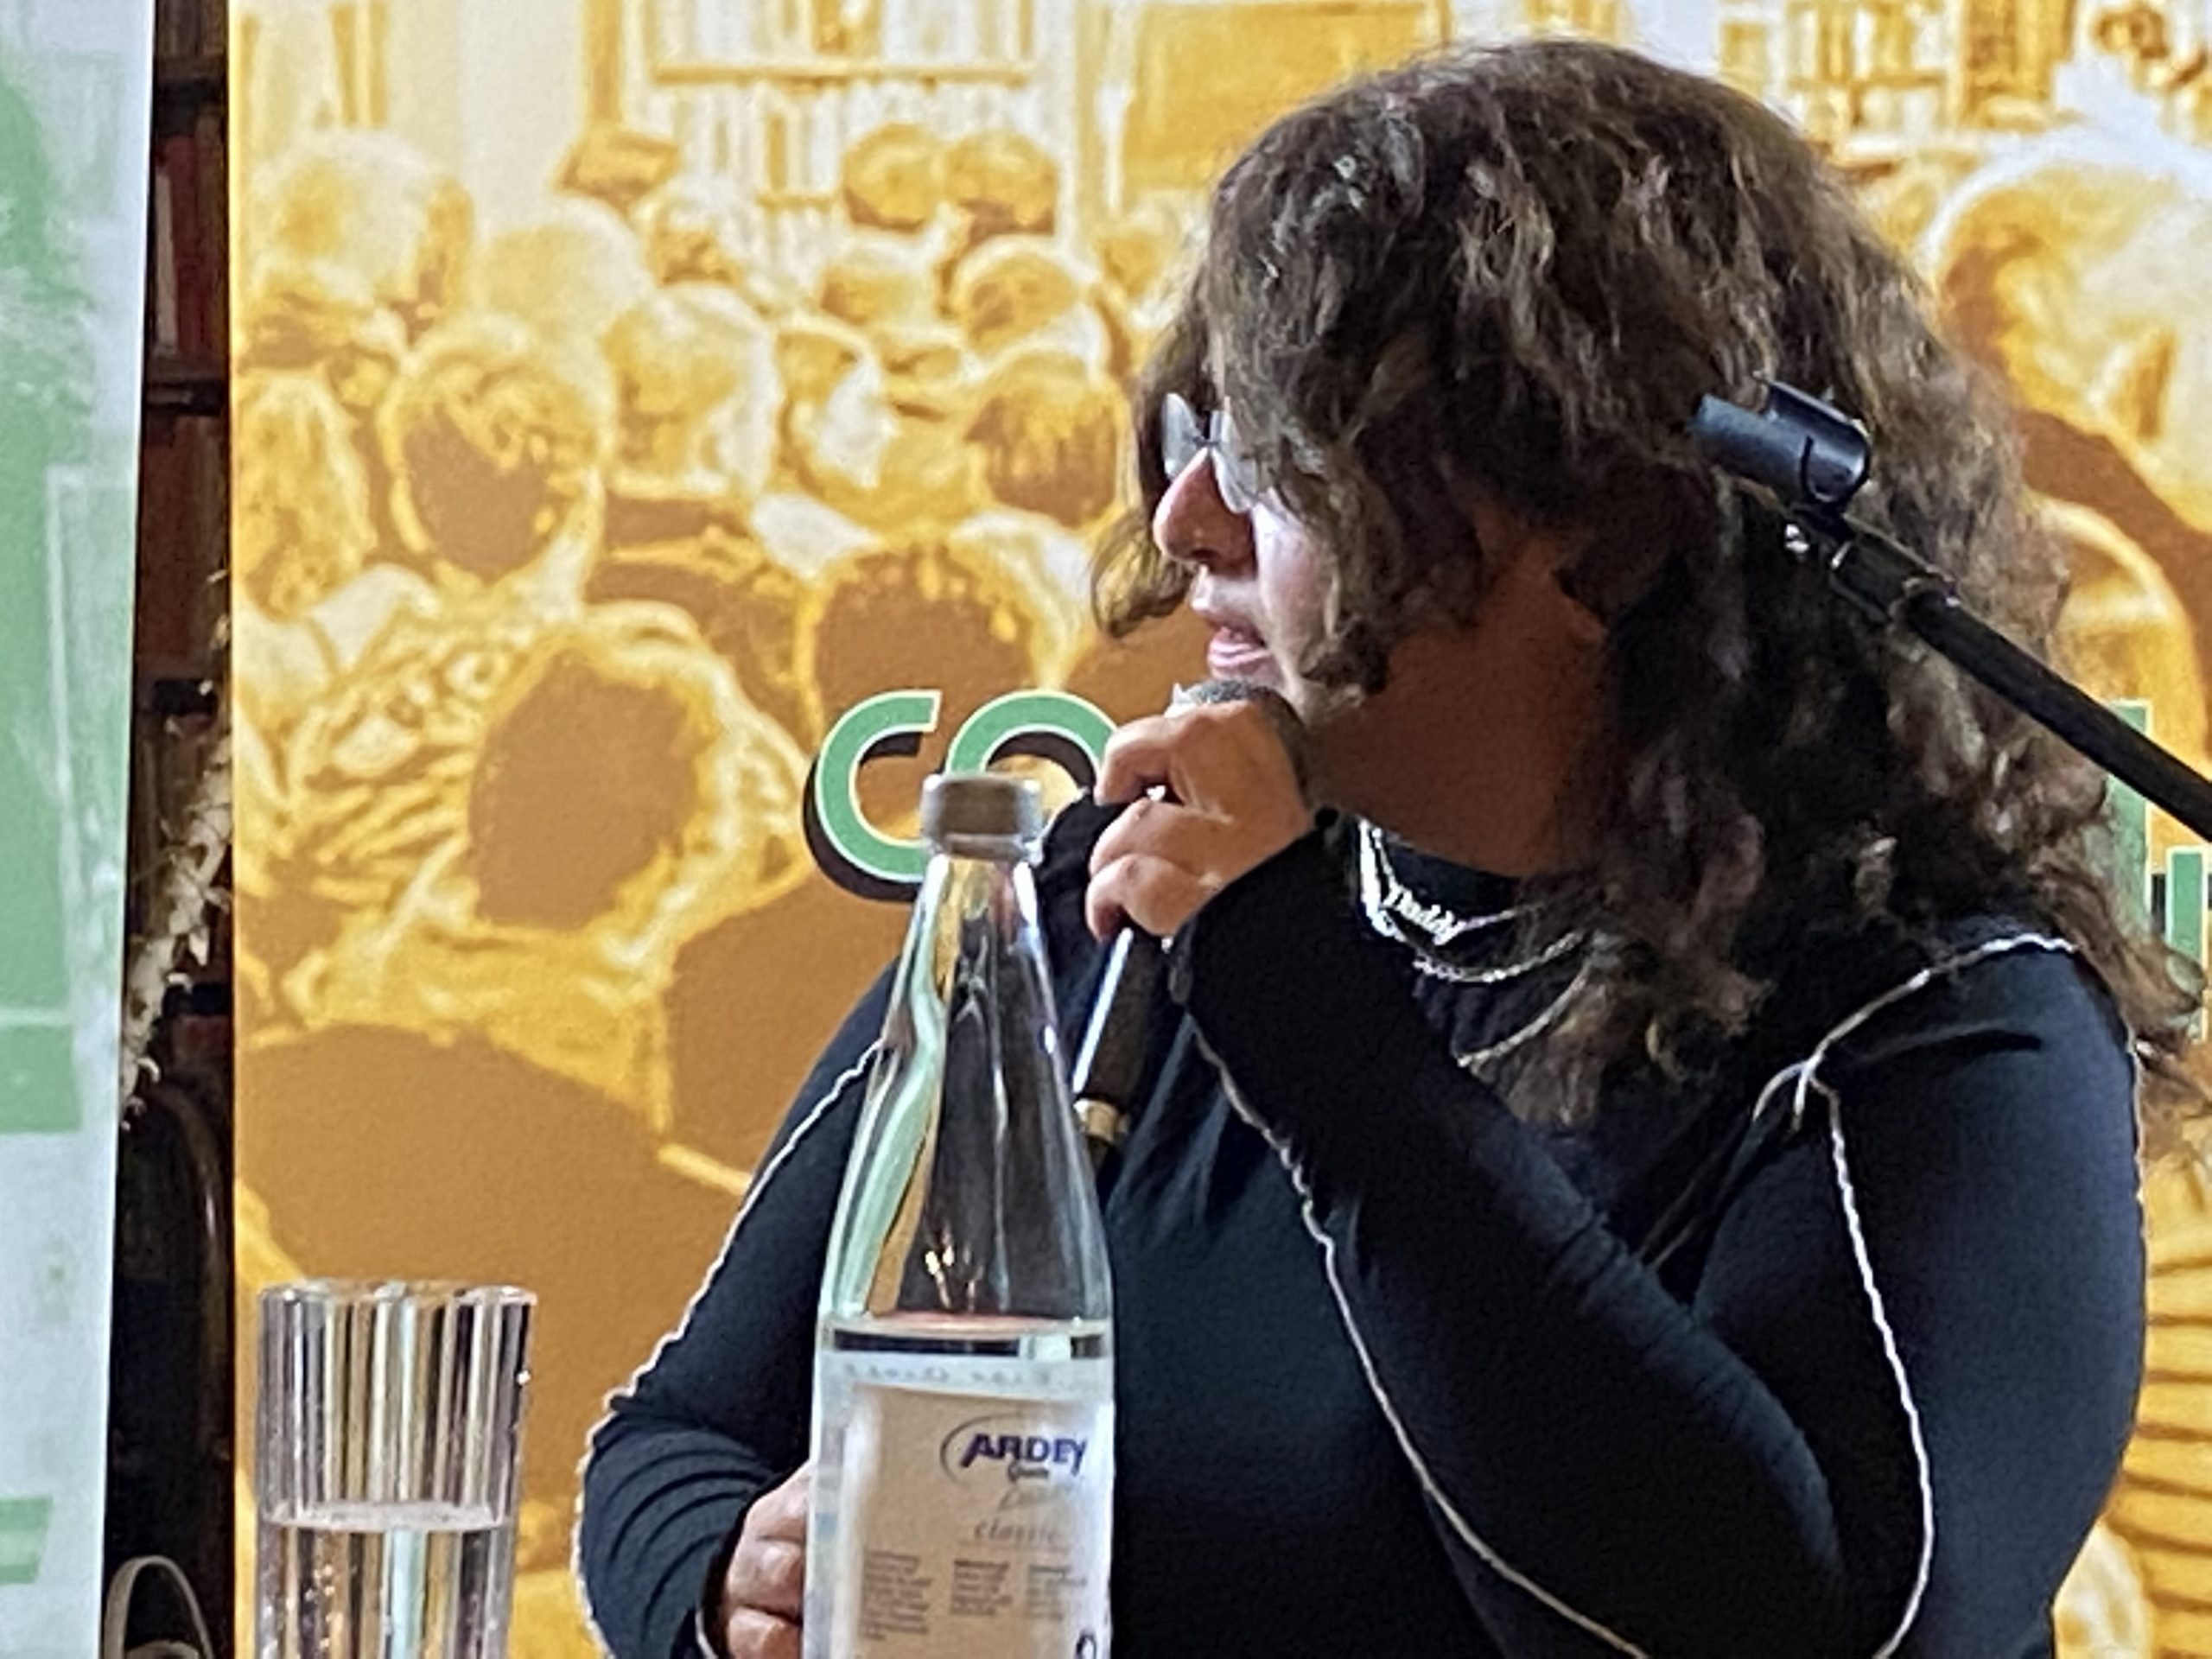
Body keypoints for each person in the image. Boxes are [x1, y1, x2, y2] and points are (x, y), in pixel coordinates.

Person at [577, 41, 2199, 1658]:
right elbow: (679, 1442)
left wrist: (1312, 1022)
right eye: (1196, 432)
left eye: (1280, 458)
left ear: (1607, 541)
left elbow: (1824, 1627)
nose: (1185, 523)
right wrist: (727, 1583)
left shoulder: (1936, 1021)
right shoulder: (1097, 912)